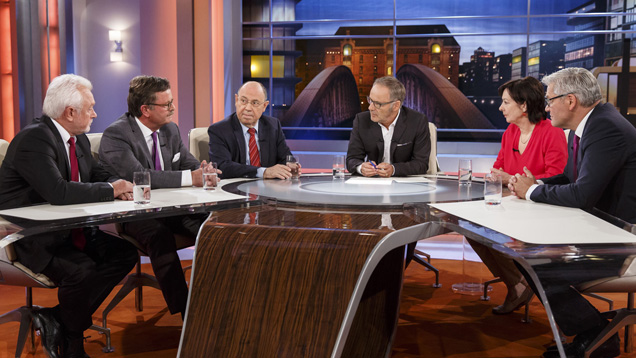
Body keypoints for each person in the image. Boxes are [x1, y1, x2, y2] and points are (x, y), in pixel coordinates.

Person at [0, 74, 138, 358]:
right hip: (29, 238)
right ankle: (73, 343)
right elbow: (59, 192)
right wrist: (112, 189)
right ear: (70, 112)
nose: (95, 113)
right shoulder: (33, 139)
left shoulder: (78, 139)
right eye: (90, 107)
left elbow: (100, 174)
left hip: (69, 230)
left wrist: (119, 187)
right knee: (81, 271)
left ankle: (57, 319)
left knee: (124, 253)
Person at [509, 67, 636, 358]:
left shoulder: (606, 128)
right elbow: (570, 178)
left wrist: (530, 191)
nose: (545, 106)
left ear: (570, 101)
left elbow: (582, 195)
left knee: (535, 261)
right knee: (524, 253)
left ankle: (595, 334)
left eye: (549, 99)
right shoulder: (584, 127)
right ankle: (594, 331)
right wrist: (534, 184)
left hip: (623, 240)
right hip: (602, 230)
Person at [99, 75, 214, 319]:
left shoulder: (170, 129)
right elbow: (140, 176)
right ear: (146, 110)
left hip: (171, 209)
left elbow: (185, 161)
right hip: (133, 213)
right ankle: (187, 312)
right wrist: (189, 178)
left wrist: (203, 171)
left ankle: (218, 297)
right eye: (167, 104)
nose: (173, 108)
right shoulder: (116, 134)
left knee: (211, 227)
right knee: (158, 235)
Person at [471, 77, 568, 316]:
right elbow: (496, 171)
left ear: (523, 105)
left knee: (492, 233)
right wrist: (510, 179)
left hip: (542, 209)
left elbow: (557, 178)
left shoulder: (552, 132)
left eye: (505, 102)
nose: (500, 107)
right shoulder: (510, 132)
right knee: (471, 229)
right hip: (512, 204)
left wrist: (511, 178)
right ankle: (517, 282)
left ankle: (521, 283)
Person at [346, 76, 430, 177]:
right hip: (371, 186)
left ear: (395, 105)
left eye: (377, 104)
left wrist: (393, 169)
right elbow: (352, 159)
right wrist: (361, 168)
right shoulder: (361, 120)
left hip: (405, 184)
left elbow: (421, 164)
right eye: (370, 100)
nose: (370, 107)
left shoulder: (417, 121)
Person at [208, 81, 294, 179]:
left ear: (264, 106)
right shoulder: (219, 130)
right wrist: (263, 172)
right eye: (243, 101)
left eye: (255, 103)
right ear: (236, 100)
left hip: (269, 189)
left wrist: (290, 166)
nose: (248, 108)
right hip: (234, 190)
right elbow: (222, 167)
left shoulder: (273, 126)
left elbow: (285, 158)